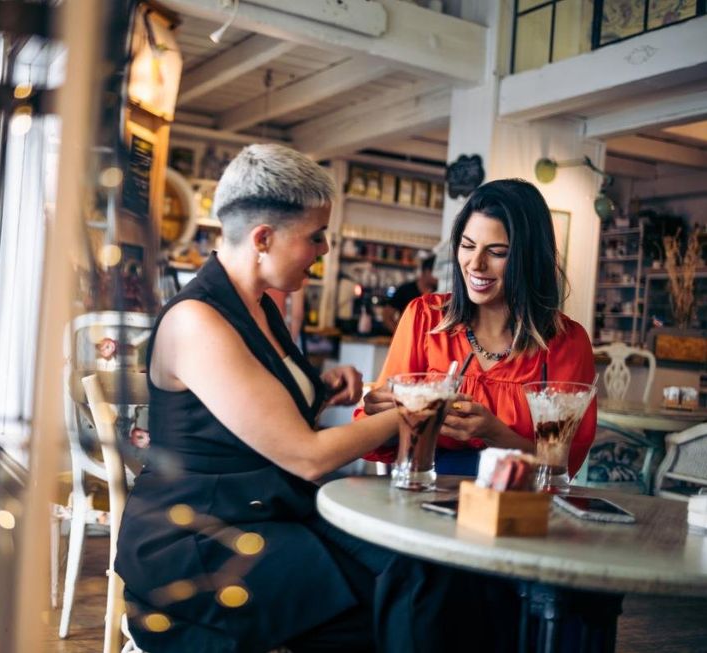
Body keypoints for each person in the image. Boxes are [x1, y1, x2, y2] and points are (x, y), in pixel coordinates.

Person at [115, 145, 501, 653]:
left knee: (428, 570)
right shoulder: (197, 322)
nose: (323, 251)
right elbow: (306, 456)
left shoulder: (259, 309)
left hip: (263, 512)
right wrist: (417, 408)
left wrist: (324, 392)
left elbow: (251, 416)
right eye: (315, 237)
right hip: (196, 540)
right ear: (263, 239)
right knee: (395, 598)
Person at [361, 178, 597, 477]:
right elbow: (378, 438)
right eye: (468, 246)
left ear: (530, 258)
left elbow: (562, 464)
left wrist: (494, 433)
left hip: (519, 504)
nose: (475, 264)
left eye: (497, 252)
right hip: (426, 493)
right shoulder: (425, 318)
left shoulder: (567, 342)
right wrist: (389, 412)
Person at [379, 255, 437, 334]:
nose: (439, 277)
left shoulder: (439, 293)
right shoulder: (405, 290)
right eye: (438, 273)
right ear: (427, 271)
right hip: (407, 339)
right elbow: (387, 315)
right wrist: (399, 335)